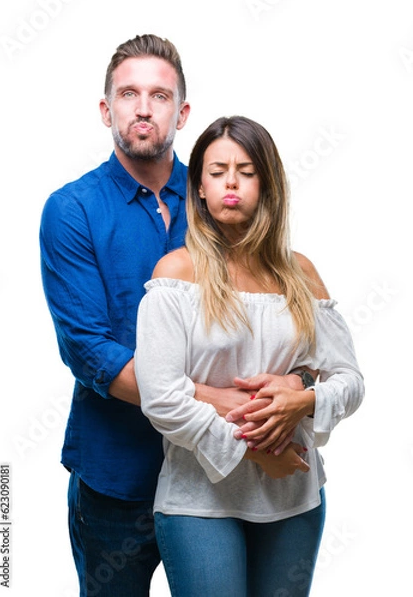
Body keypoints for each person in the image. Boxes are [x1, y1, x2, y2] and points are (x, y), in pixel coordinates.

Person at [39, 35, 305, 596]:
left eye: (159, 95)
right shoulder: (72, 211)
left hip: (222, 480)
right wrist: (226, 403)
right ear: (106, 109)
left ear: (182, 113)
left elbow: (275, 315)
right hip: (118, 477)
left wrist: (297, 384)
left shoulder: (219, 197)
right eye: (128, 93)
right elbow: (90, 351)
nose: (143, 107)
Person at [135, 115, 365, 596]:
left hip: (294, 498)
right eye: (217, 172)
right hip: (199, 501)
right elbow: (161, 397)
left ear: (267, 183)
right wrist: (260, 452)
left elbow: (348, 378)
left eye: (246, 170)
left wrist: (304, 399)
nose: (231, 183)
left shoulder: (300, 273)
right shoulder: (176, 274)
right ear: (199, 187)